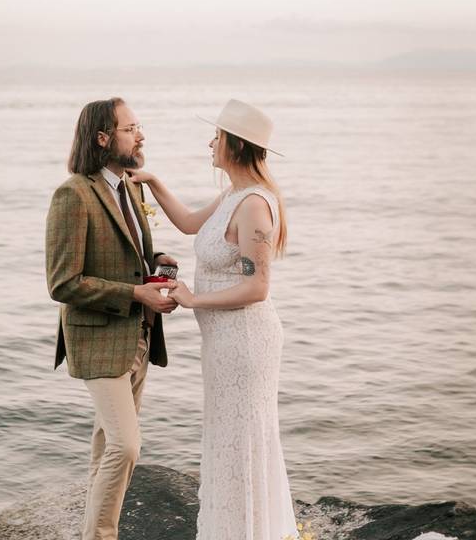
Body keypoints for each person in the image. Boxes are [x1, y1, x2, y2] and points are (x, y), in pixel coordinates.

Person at [127, 99, 298, 540]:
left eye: (217, 137)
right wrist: (153, 182)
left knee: (241, 441)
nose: (210, 142)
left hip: (245, 342)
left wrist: (193, 299)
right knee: (228, 439)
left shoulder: (255, 206)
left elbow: (257, 287)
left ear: (236, 147)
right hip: (224, 343)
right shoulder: (233, 195)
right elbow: (187, 223)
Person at [45, 97, 179, 540]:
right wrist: (135, 292)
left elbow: (130, 253)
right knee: (126, 446)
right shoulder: (73, 194)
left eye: (138, 127)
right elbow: (63, 283)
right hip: (98, 339)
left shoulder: (131, 187)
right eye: (131, 128)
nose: (141, 135)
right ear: (103, 139)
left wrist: (155, 261)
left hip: (138, 337)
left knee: (107, 448)